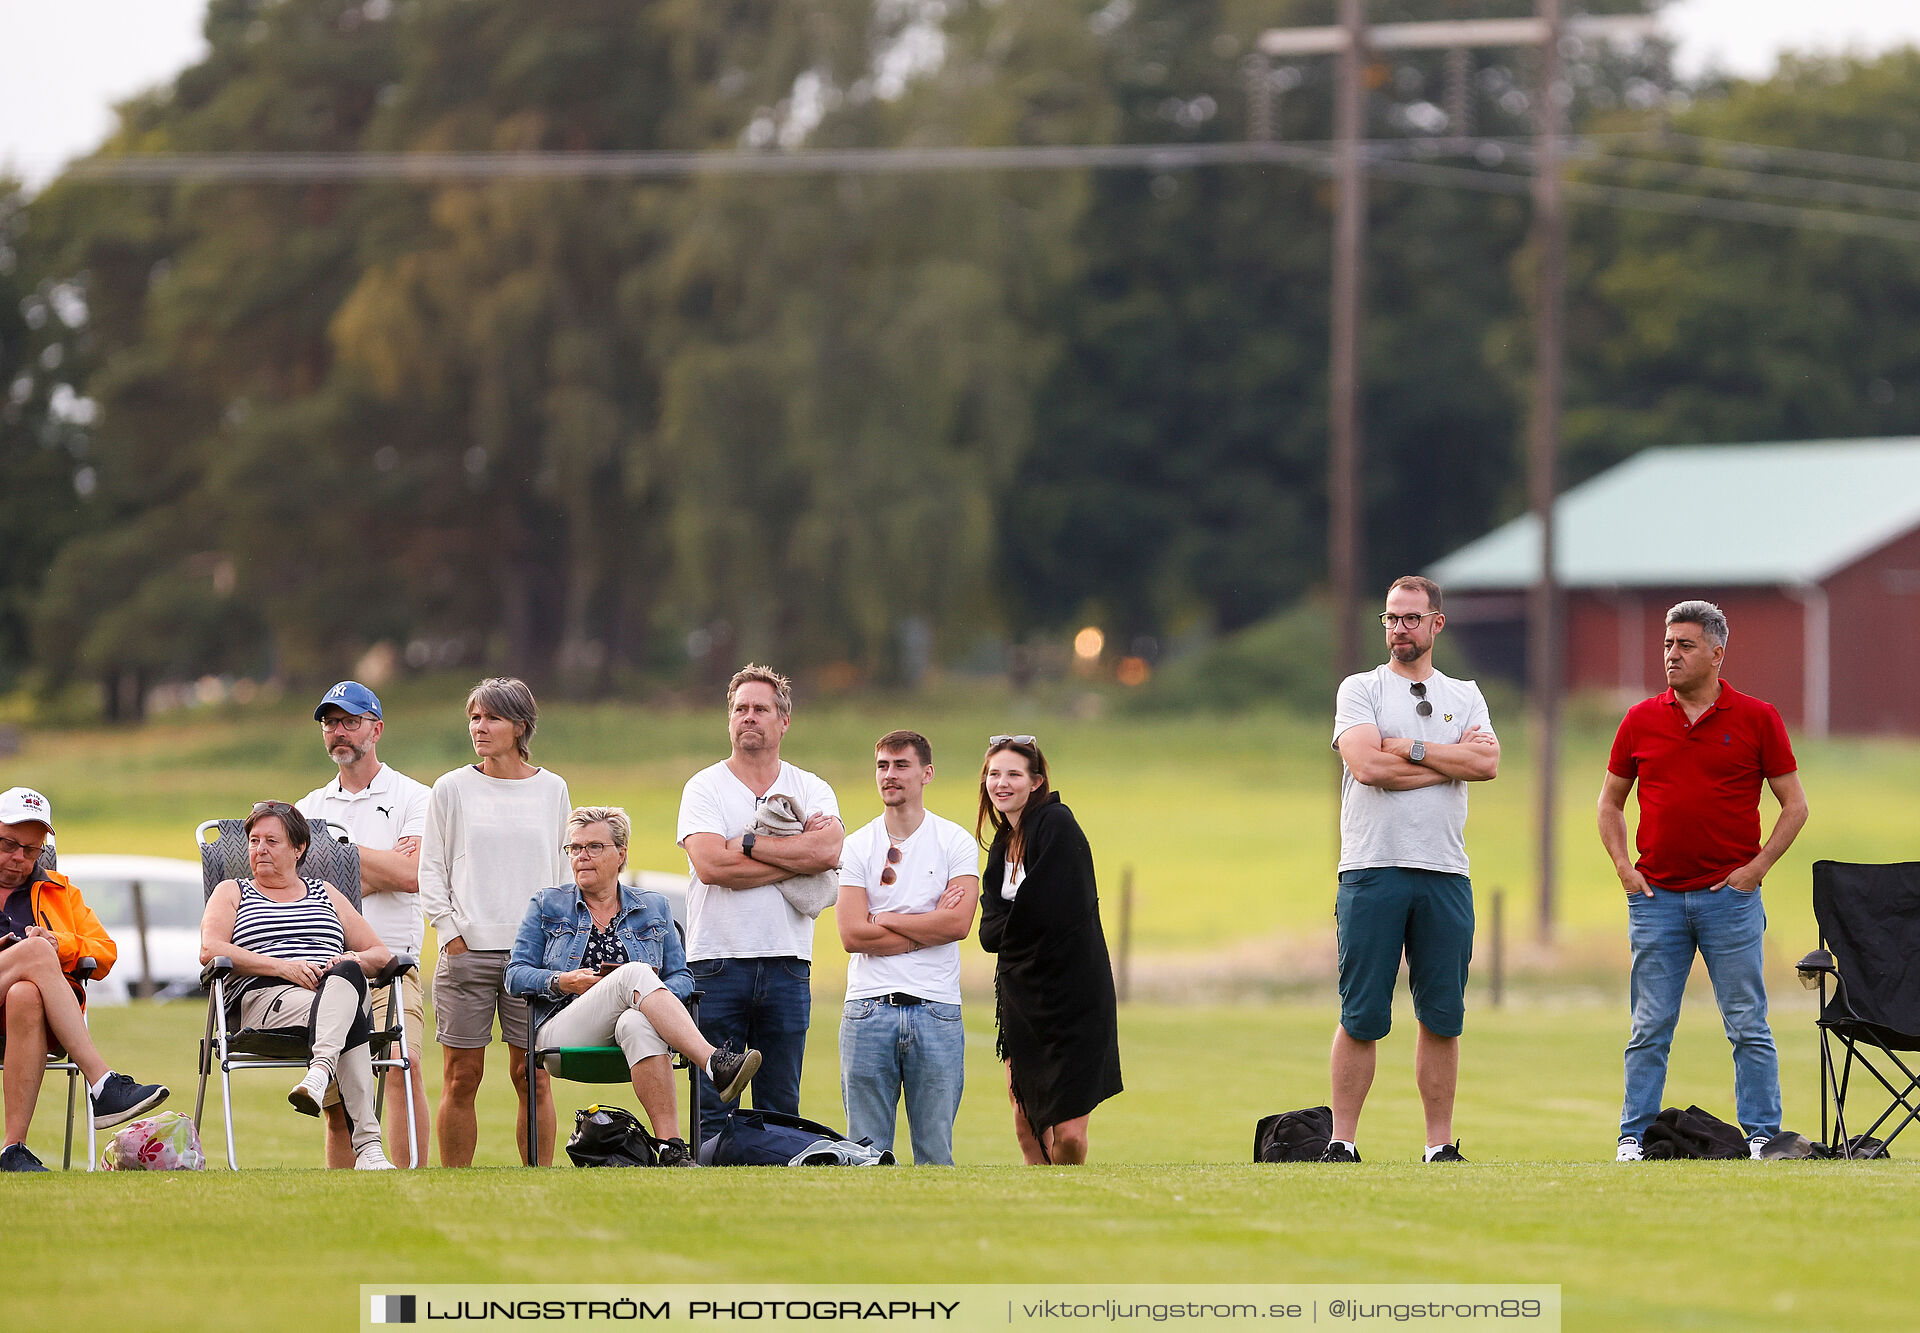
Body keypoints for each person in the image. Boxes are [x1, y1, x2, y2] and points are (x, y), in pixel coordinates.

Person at [1599, 600, 1809, 1162]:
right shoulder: (1640, 719)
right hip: (1656, 900)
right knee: (1649, 1027)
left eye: (1684, 645)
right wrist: (1625, 869)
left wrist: (1755, 870)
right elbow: (1610, 804)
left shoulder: (1758, 717)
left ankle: (1764, 1135)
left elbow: (1794, 806)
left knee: (1748, 1024)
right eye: (1668, 644)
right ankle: (1633, 1138)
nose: (1671, 654)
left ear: (1717, 653)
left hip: (1729, 900)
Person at [1327, 575, 1499, 1164]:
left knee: (1442, 1016)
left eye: (1410, 618)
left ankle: (1438, 1145)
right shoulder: (1361, 689)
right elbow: (1369, 767)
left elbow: (1489, 763)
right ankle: (1342, 1141)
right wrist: (1452, 764)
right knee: (1362, 1015)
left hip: (1445, 872)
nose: (1399, 628)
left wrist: (1414, 748)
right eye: (1391, 618)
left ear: (1436, 624)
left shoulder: (1465, 694)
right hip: (1372, 869)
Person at [506, 807, 762, 1167]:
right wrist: (565, 981)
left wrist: (650, 1001)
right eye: (574, 848)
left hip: (630, 1029)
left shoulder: (653, 906)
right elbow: (514, 974)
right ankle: (712, 1061)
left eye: (594, 847)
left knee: (637, 1020)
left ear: (621, 853)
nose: (581, 856)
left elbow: (683, 978)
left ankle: (672, 1149)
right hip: (562, 1031)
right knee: (634, 974)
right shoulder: (548, 904)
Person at [677, 664, 843, 1143]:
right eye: (740, 709)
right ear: (729, 719)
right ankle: (712, 1196)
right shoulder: (704, 787)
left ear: (783, 721)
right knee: (712, 1107)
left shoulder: (811, 787)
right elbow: (711, 867)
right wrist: (796, 861)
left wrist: (745, 844)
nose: (749, 717)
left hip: (788, 964)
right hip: (715, 964)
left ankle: (778, 1199)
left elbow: (828, 852)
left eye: (761, 709)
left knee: (781, 1106)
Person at [419, 677, 572, 1166]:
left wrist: (558, 944)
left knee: (533, 1074)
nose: (479, 728)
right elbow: (432, 868)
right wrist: (451, 935)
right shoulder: (451, 788)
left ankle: (537, 1179)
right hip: (467, 953)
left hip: (535, 960)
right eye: (474, 717)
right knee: (462, 1075)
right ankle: (457, 1182)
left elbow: (566, 870)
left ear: (520, 726)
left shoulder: (553, 790)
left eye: (491, 718)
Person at [198, 801, 397, 1170]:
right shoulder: (232, 891)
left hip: (332, 991)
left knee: (350, 976)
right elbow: (210, 949)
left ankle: (319, 1071)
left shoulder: (325, 892)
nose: (260, 849)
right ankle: (368, 1149)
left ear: (298, 848)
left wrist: (351, 960)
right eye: (254, 840)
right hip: (267, 999)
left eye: (272, 841)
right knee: (351, 1014)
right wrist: (283, 967)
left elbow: (380, 955)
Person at [297, 680, 433, 1169]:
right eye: (331, 724)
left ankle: (412, 1180)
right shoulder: (307, 808)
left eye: (350, 722)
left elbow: (413, 874)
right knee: (335, 1101)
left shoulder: (416, 797)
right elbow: (291, 890)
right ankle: (346, 1199)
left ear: (376, 729)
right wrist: (375, 871)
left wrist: (335, 865)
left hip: (393, 963)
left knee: (404, 1065)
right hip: (325, 967)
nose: (339, 733)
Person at [0, 787, 169, 1172]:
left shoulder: (61, 892)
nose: (18, 858)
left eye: (31, 850)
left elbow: (104, 951)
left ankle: (12, 1150)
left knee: (27, 990)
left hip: (34, 1020)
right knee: (36, 952)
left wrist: (58, 942)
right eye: (9, 844)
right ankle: (104, 1084)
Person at [836, 731, 980, 1165]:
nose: (890, 774)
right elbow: (852, 936)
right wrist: (926, 926)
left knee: (935, 1154)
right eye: (882, 765)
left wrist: (888, 919)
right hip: (867, 1010)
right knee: (865, 1155)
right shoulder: (858, 845)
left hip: (936, 1009)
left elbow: (957, 923)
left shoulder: (955, 842)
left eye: (901, 765)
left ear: (926, 773)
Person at [977, 736, 1121, 1165]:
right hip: (1023, 997)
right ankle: (1045, 1211)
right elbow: (988, 932)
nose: (1001, 783)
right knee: (1027, 1125)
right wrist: (1017, 925)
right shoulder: (1003, 844)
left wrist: (1013, 925)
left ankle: (1071, 1196)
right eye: (994, 774)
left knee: (1070, 1136)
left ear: (1036, 781)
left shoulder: (1057, 823)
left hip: (1074, 996)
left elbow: (1052, 910)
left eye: (1013, 775)